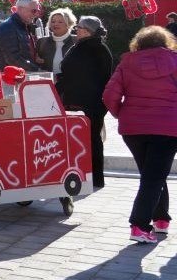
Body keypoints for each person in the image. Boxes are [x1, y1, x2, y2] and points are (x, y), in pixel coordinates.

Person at [103, 26, 177, 244]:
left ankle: (161, 219)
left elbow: (109, 95)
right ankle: (139, 225)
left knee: (151, 173)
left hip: (133, 128)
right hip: (168, 127)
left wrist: (121, 113)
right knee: (153, 176)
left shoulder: (127, 63)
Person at [58, 16, 114, 189]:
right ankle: (86, 177)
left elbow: (83, 75)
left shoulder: (95, 48)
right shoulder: (84, 46)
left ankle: (94, 178)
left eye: (79, 27)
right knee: (84, 139)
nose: (76, 29)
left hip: (88, 103)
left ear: (87, 30)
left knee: (90, 140)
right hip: (82, 101)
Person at [0, 0, 43, 71]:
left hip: (20, 76)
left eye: (38, 11)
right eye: (33, 11)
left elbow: (24, 54)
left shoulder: (23, 26)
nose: (36, 14)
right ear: (20, 9)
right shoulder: (8, 26)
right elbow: (12, 59)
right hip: (11, 78)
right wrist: (37, 70)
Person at [36, 7, 76, 75]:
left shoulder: (77, 41)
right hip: (48, 83)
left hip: (72, 83)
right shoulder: (42, 42)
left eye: (60, 22)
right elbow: (36, 64)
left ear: (68, 24)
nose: (56, 24)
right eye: (53, 21)